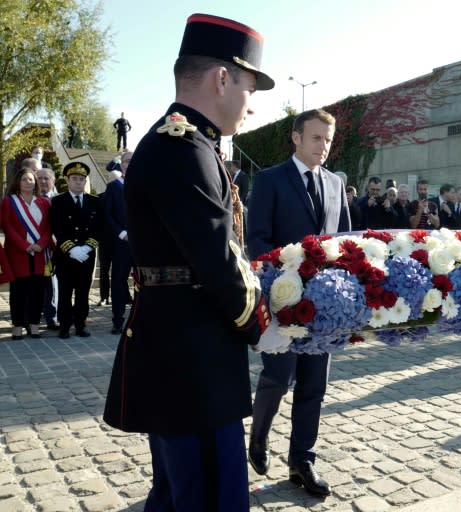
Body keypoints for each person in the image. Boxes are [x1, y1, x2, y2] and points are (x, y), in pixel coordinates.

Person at [103, 13, 272, 511]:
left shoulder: (187, 143)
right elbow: (218, 257)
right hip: (191, 357)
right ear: (223, 78)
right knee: (204, 493)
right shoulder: (182, 147)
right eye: (250, 88)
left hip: (187, 349)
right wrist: (263, 321)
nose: (252, 106)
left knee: (185, 489)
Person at [247, 108, 350, 498]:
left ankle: (301, 460)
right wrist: (282, 280)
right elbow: (257, 240)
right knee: (278, 378)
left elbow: (345, 243)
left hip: (324, 308)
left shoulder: (336, 184)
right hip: (283, 302)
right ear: (296, 138)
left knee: (314, 385)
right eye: (315, 138)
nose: (322, 146)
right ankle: (258, 436)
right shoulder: (270, 179)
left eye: (327, 139)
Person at [50, 162, 103, 339]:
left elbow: (99, 228)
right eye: (74, 179)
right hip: (66, 255)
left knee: (83, 292)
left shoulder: (95, 201)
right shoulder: (58, 201)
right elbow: (57, 227)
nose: (78, 182)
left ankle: (81, 325)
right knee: (65, 292)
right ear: (67, 180)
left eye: (81, 179)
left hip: (86, 255)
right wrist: (71, 249)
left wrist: (87, 247)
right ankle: (65, 326)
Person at [1, 168, 52, 340]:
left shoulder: (44, 202)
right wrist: (25, 246)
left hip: (39, 253)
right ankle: (17, 326)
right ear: (18, 181)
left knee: (38, 290)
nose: (28, 182)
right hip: (17, 253)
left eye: (31, 179)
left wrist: (41, 244)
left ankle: (34, 324)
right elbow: (8, 227)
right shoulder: (9, 201)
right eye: (24, 179)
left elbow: (48, 227)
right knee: (19, 291)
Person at [103, 153, 133, 334]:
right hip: (122, 242)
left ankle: (141, 318)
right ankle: (118, 319)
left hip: (143, 243)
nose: (130, 164)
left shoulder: (145, 185)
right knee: (119, 280)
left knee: (144, 282)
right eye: (127, 161)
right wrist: (122, 233)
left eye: (133, 161)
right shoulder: (114, 187)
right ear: (121, 165)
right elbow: (107, 215)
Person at [36, 167, 58, 330]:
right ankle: (32, 318)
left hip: (56, 249)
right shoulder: (29, 201)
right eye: (40, 178)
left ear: (53, 181)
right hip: (34, 248)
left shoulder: (60, 200)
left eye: (46, 178)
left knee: (53, 283)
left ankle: (52, 316)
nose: (43, 181)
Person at [97, 171, 121, 308]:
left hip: (120, 240)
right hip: (105, 241)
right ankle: (104, 297)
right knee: (104, 270)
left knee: (120, 271)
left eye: (116, 180)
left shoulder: (126, 196)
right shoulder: (99, 198)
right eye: (111, 180)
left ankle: (124, 296)